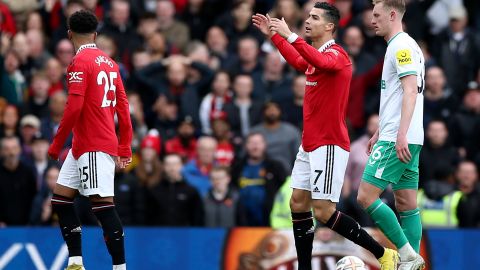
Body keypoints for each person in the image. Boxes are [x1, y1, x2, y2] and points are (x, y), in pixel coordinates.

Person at [252, 3, 397, 269]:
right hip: (309, 143)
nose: (308, 21)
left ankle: (384, 254)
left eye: (314, 17)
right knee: (297, 203)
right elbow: (299, 60)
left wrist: (289, 35)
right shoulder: (315, 54)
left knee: (323, 211)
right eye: (307, 16)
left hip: (329, 144)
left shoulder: (338, 55)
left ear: (329, 26)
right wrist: (272, 35)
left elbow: (317, 61)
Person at [47, 10, 132, 270]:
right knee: (60, 200)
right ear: (95, 34)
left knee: (102, 205)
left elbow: (74, 107)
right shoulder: (110, 63)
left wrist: (56, 143)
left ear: (69, 33)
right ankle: (75, 262)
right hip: (84, 145)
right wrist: (125, 145)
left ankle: (120, 267)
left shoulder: (79, 62)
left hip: (93, 144)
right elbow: (123, 106)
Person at [356, 1, 426, 269]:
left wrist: (399, 134)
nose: (372, 20)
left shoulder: (400, 46)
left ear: (392, 15)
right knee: (406, 202)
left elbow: (410, 91)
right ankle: (412, 263)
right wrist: (380, 129)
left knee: (365, 196)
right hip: (407, 136)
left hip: (400, 137)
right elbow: (398, 96)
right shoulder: (407, 45)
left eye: (376, 15)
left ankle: (407, 255)